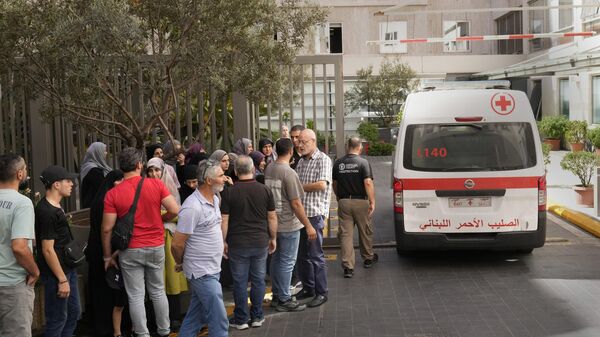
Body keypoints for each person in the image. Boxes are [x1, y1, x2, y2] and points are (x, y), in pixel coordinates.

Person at [102, 147, 180, 337]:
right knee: (158, 291)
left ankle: (143, 334)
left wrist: (107, 256)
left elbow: (106, 228)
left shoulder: (113, 193)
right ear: (140, 165)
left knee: (135, 295)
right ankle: (164, 331)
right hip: (155, 245)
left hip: (130, 249)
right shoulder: (156, 185)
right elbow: (175, 210)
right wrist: (160, 219)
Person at [171, 160, 229, 337]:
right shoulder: (192, 207)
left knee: (195, 316)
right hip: (201, 272)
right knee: (219, 320)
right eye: (220, 176)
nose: (225, 178)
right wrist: (180, 262)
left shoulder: (215, 199)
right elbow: (177, 243)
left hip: (211, 268)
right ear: (209, 180)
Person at [221, 156, 277, 330]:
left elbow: (224, 219)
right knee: (259, 280)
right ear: (253, 170)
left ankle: (241, 319)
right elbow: (272, 217)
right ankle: (257, 316)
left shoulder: (229, 192)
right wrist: (273, 237)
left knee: (240, 282)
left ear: (236, 172)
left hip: (237, 243)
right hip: (260, 241)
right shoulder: (265, 190)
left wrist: (222, 241)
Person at [264, 139, 317, 312]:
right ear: (291, 151)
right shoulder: (289, 173)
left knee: (277, 260)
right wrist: (308, 225)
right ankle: (285, 299)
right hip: (288, 224)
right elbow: (296, 203)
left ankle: (278, 295)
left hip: (273, 223)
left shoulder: (270, 168)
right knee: (287, 262)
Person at [35, 165, 80, 337]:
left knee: (74, 313)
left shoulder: (56, 207)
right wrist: (62, 279)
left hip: (68, 269)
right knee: (57, 319)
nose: (72, 184)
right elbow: (47, 250)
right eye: (67, 181)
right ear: (56, 184)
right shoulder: (46, 212)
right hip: (57, 274)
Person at [86, 170, 128, 337]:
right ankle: (115, 328)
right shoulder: (109, 200)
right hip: (107, 251)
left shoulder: (100, 198)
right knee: (113, 290)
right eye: (119, 181)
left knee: (102, 290)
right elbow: (107, 229)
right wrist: (109, 255)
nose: (122, 184)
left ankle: (104, 326)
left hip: (96, 249)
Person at [0, 154, 38, 337]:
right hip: (12, 285)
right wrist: (35, 271)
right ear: (20, 174)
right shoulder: (22, 203)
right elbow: (19, 247)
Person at [294, 128, 332, 308]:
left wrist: (299, 188)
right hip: (300, 215)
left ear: (313, 141)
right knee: (301, 255)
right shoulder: (301, 162)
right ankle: (308, 288)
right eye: (299, 141)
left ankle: (321, 292)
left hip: (314, 215)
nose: (299, 145)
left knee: (316, 255)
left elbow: (321, 185)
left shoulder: (323, 160)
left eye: (303, 141)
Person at [332, 137, 377, 279]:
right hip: (361, 201)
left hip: (344, 201)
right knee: (365, 230)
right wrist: (372, 200)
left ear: (347, 147)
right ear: (360, 147)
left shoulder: (338, 163)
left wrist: (339, 197)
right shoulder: (363, 162)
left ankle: (348, 267)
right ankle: (368, 258)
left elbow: (334, 183)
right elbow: (368, 183)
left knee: (346, 235)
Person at [80, 142, 112, 208]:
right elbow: (102, 192)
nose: (106, 153)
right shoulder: (95, 172)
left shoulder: (87, 167)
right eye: (104, 151)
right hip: (96, 209)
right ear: (98, 153)